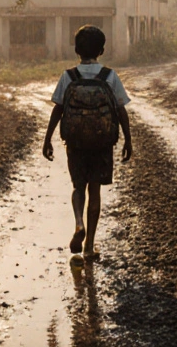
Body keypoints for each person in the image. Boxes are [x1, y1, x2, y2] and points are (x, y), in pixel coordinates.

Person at [42, 25, 132, 265]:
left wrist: (47, 138)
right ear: (101, 50)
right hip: (102, 143)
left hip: (76, 142)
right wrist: (128, 140)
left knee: (78, 186)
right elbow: (121, 110)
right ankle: (90, 245)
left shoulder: (68, 76)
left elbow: (58, 109)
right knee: (95, 190)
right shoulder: (109, 76)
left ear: (76, 50)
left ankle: (78, 223)